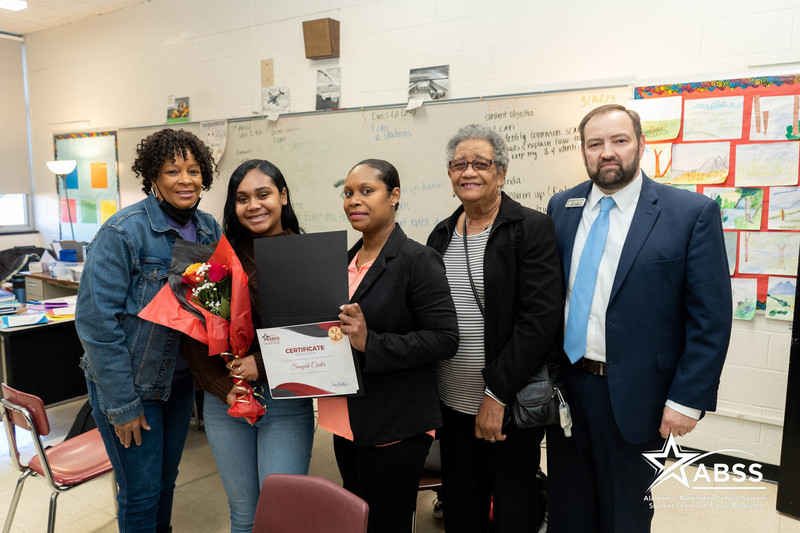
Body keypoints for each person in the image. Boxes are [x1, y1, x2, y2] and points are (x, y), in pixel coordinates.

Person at [545, 104, 732, 532]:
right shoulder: (563, 206)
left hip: (639, 397)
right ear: (584, 151)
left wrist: (687, 399)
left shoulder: (690, 213)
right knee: (570, 510)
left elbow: (711, 318)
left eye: (619, 141)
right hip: (569, 387)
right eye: (595, 144)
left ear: (641, 145)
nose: (606, 152)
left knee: (624, 515)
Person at [76, 129, 222, 532]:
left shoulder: (210, 229)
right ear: (153, 177)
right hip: (131, 385)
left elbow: (214, 306)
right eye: (172, 171)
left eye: (193, 170)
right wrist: (123, 404)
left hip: (178, 383)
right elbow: (95, 323)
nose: (185, 180)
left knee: (165, 484)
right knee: (140, 493)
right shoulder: (124, 231)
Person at [427, 124, 563, 532]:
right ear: (451, 174)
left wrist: (497, 396)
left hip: (507, 404)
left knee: (513, 507)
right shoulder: (441, 234)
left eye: (481, 164)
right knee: (462, 507)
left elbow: (538, 321)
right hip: (451, 404)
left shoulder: (530, 229)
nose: (469, 172)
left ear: (501, 173)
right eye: (459, 165)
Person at [317, 158, 459, 533]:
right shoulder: (342, 261)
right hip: (346, 418)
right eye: (348, 193)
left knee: (386, 523)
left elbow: (445, 339)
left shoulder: (417, 259)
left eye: (367, 191)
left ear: (394, 196)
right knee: (357, 517)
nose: (354, 201)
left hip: (395, 421)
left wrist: (371, 342)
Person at [182, 159, 314, 533]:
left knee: (281, 516)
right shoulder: (214, 260)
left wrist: (262, 362)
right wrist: (229, 392)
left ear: (283, 197)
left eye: (263, 194)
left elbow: (320, 335)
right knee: (243, 514)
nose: (253, 205)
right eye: (242, 198)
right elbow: (195, 339)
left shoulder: (309, 256)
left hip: (286, 400)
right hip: (226, 403)